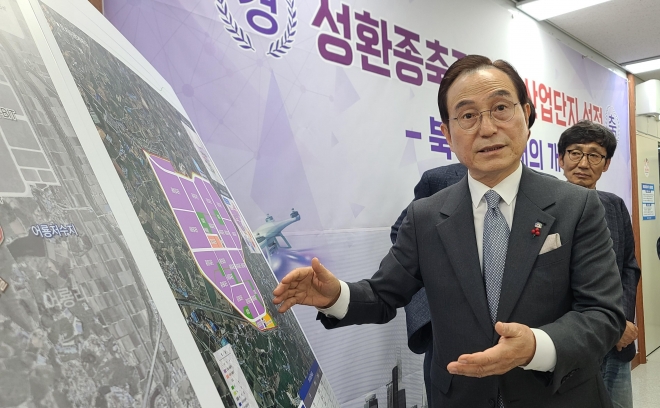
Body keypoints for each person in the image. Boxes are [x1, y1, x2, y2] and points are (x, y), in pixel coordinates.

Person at [273, 55, 625, 407]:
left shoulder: (577, 206)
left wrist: (535, 347)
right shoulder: (425, 216)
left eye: (501, 108)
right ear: (448, 134)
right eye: (468, 115)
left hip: (558, 396)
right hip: (459, 395)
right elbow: (383, 294)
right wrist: (335, 295)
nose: (487, 128)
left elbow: (603, 314)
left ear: (526, 115)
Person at [557, 120, 641, 408]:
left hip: (617, 344)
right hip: (573, 347)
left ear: (606, 164)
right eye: (575, 153)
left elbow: (629, 267)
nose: (583, 163)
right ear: (561, 158)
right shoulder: (545, 209)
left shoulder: (614, 205)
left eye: (594, 155)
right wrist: (606, 326)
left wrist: (622, 320)